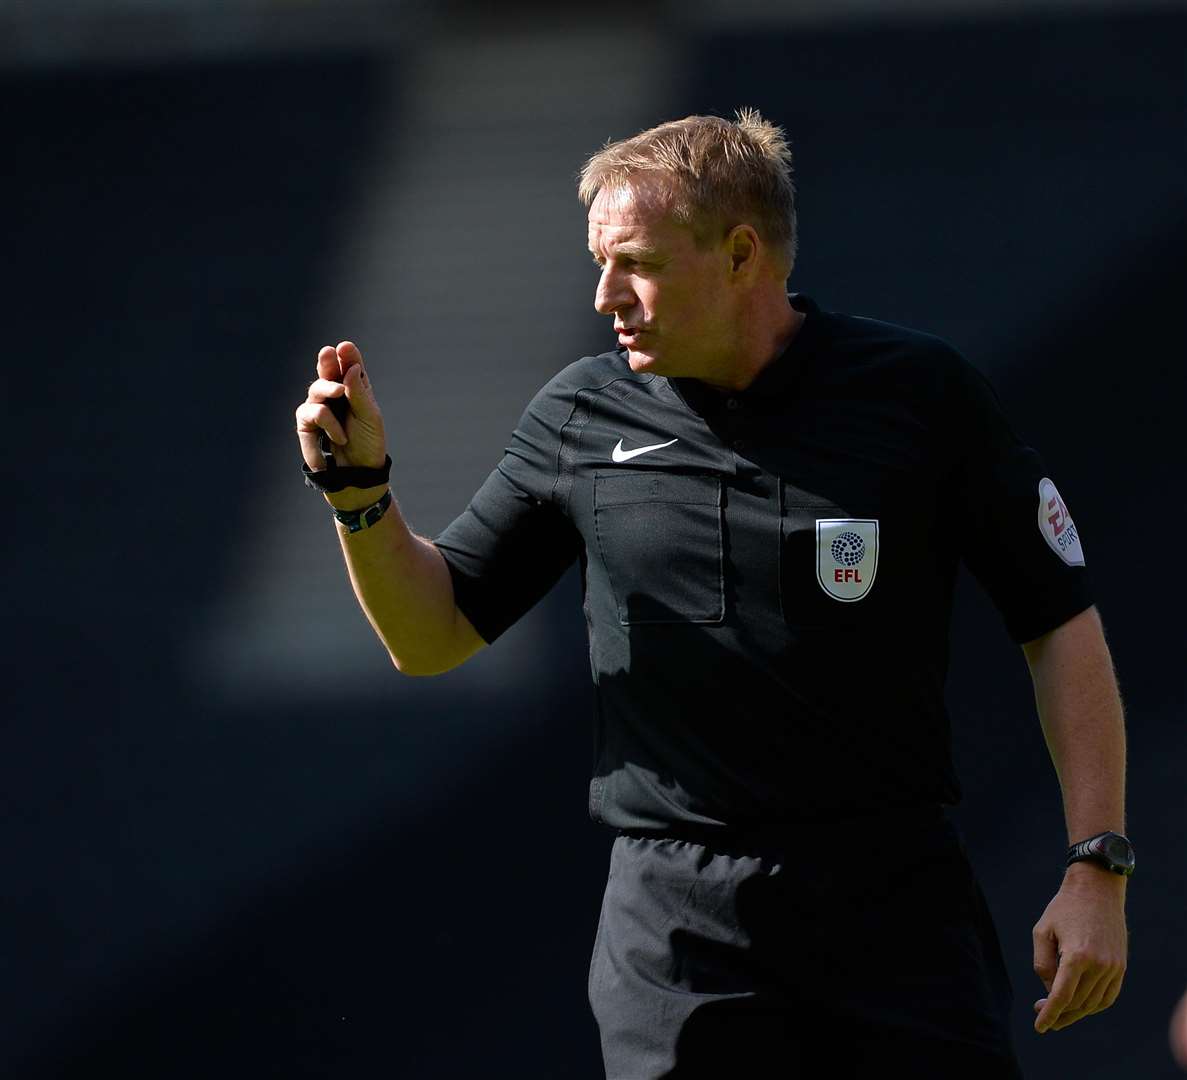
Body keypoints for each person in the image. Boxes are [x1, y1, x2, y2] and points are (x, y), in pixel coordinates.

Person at [295, 110, 1130, 1078]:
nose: (608, 295)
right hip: (677, 920)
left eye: (636, 263)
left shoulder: (918, 394)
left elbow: (1057, 623)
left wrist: (1095, 867)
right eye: (599, 263)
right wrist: (360, 498)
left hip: (892, 901)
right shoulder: (579, 410)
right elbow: (431, 636)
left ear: (740, 254)